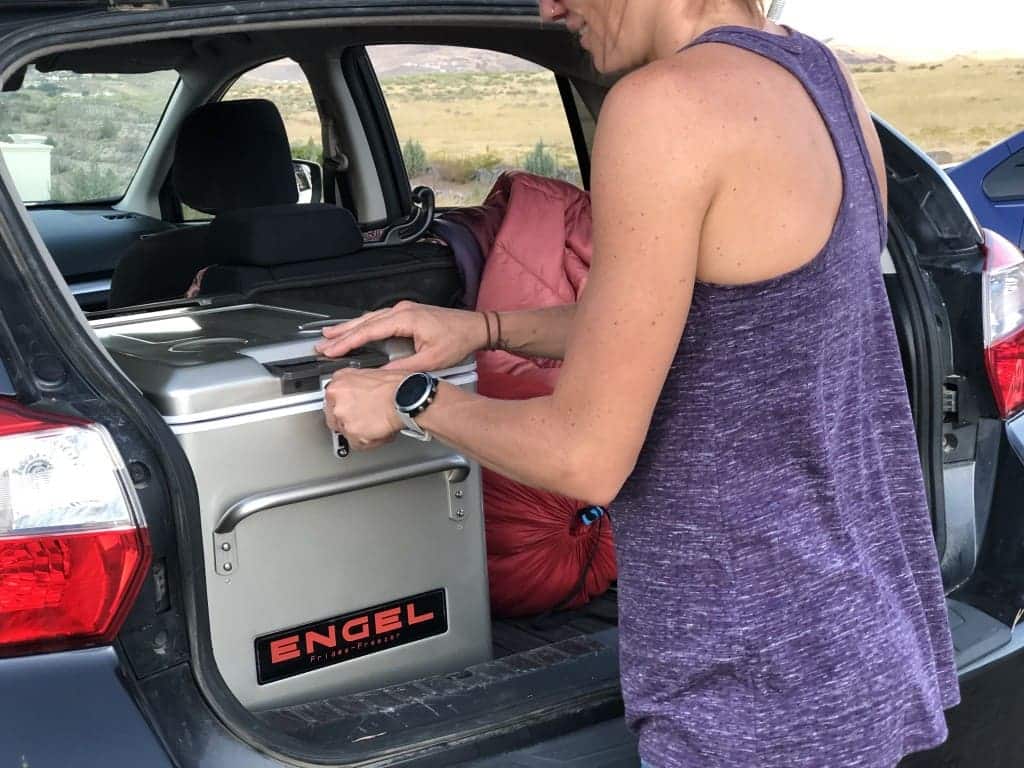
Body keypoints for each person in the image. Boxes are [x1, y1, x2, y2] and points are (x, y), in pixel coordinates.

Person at [316, 0, 960, 764]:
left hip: (753, 691)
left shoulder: (663, 106)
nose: (550, 7)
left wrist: (409, 399)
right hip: (857, 647)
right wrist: (482, 329)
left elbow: (583, 457)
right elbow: (725, 326)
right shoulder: (819, 75)